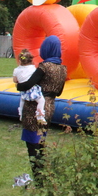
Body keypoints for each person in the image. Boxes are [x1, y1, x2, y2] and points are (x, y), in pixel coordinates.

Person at [16, 36, 67, 185]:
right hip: (50, 106)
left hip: (34, 108)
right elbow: (59, 92)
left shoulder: (44, 67)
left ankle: (39, 179)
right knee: (41, 140)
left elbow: (28, 84)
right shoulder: (63, 69)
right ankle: (45, 174)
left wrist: (18, 85)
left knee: (32, 144)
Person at [12, 49, 45, 122]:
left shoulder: (16, 70)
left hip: (23, 91)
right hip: (33, 90)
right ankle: (39, 115)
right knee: (41, 101)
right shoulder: (33, 68)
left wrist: (19, 79)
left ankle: (21, 114)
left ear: (20, 61)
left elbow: (15, 80)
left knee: (22, 101)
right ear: (31, 60)